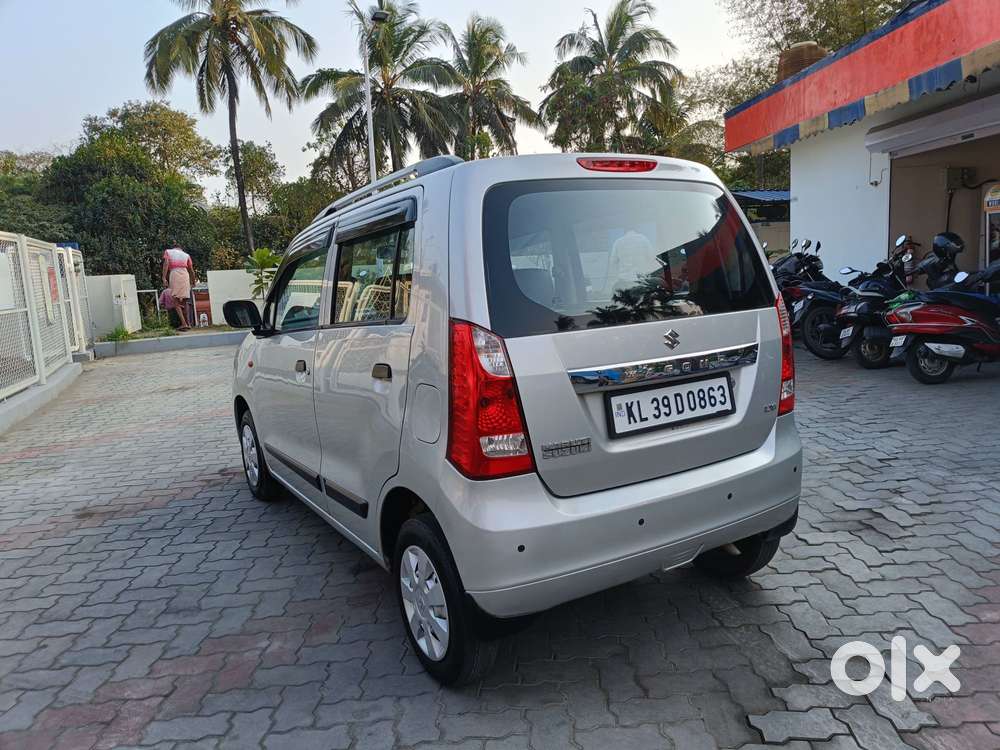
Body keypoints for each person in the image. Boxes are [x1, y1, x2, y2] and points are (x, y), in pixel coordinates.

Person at [162, 246, 196, 330]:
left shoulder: (168, 251)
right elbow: (191, 270)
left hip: (175, 273)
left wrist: (164, 277)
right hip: (185, 275)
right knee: (184, 301)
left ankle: (184, 323)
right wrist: (193, 281)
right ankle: (188, 323)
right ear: (181, 249)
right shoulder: (186, 255)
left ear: (174, 248)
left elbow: (166, 263)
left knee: (176, 300)